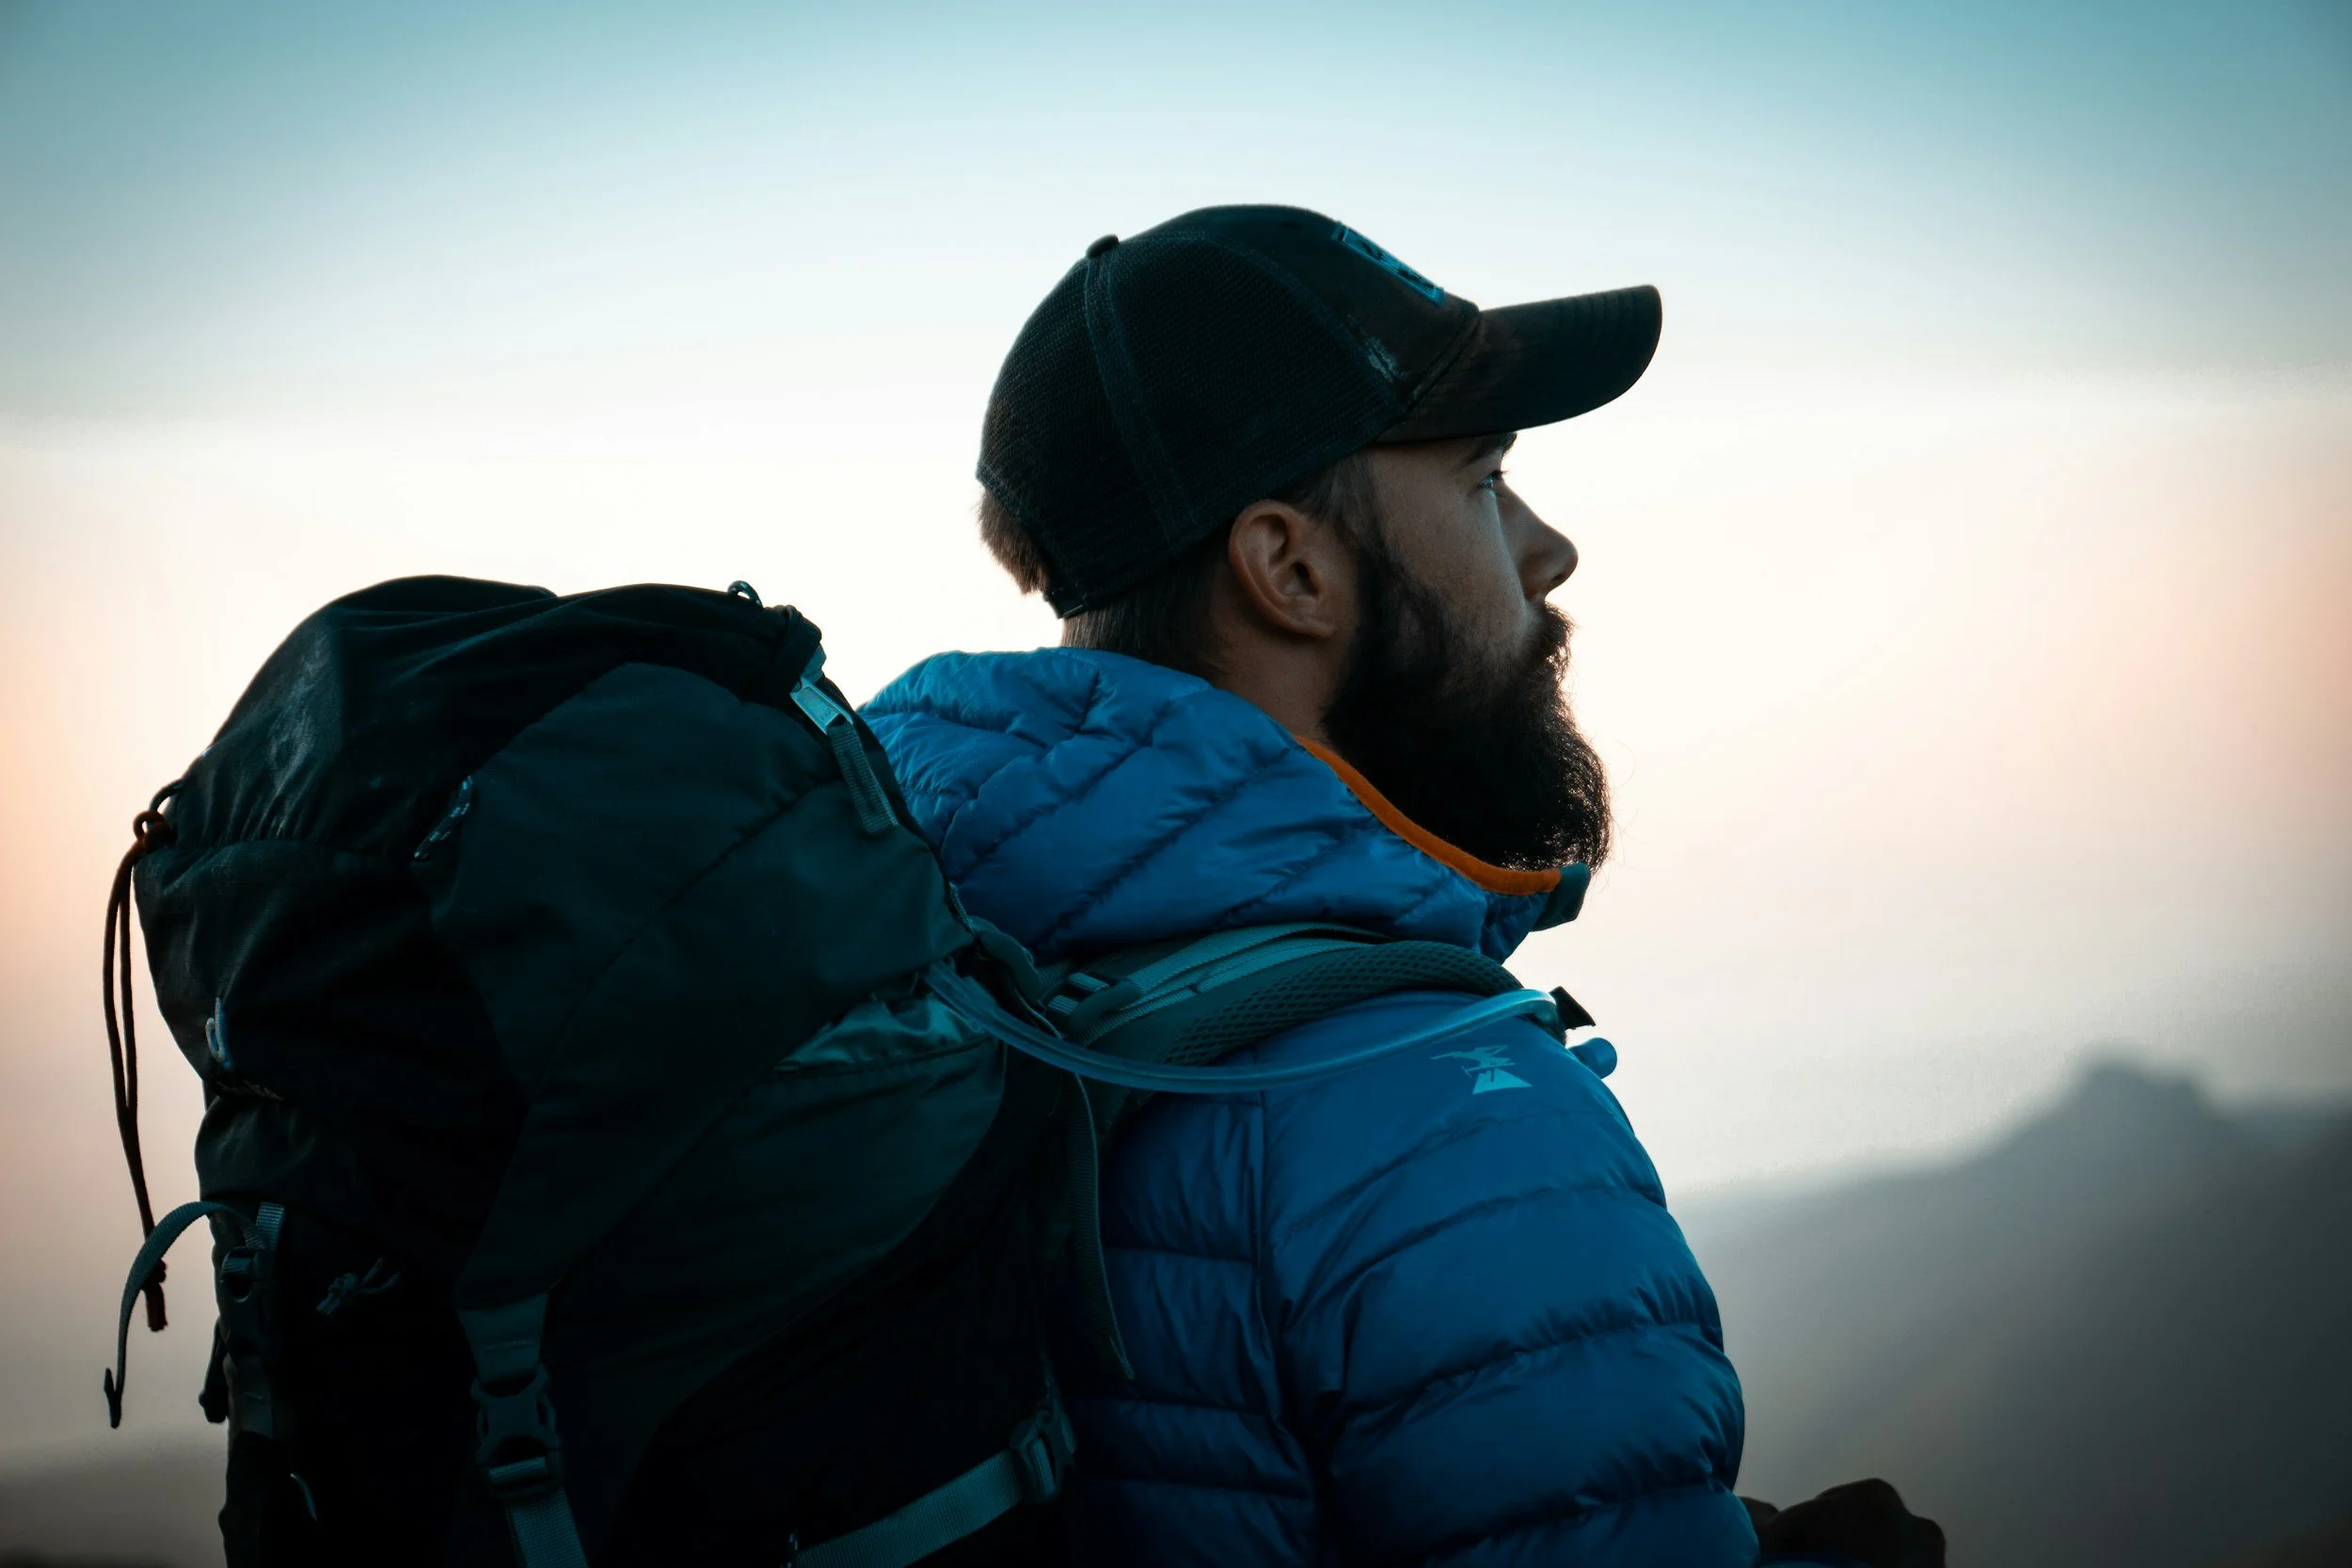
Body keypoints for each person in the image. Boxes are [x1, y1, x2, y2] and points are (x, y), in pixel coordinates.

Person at [865, 206, 1941, 1566]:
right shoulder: (1445, 1124)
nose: (1549, 548)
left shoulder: (934, 966)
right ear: (1292, 570)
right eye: (1486, 480)